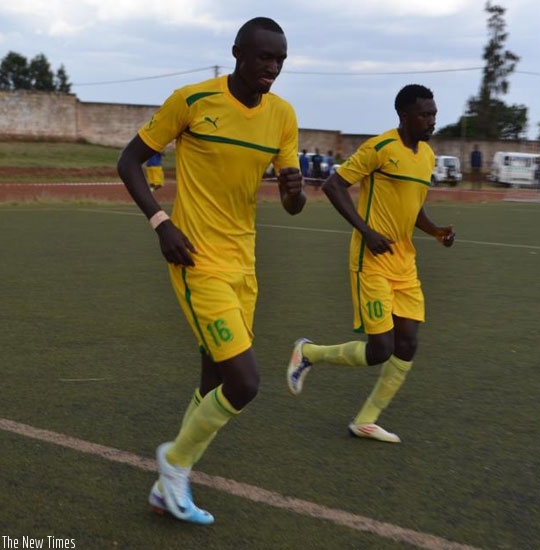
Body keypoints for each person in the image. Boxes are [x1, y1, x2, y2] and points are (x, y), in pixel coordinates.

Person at [116, 16, 306, 525]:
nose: (273, 68)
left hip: (245, 264)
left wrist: (293, 192)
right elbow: (129, 161)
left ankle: (165, 490)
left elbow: (293, 205)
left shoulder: (283, 116)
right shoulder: (193, 101)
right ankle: (174, 464)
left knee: (214, 379)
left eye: (281, 61)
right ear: (238, 52)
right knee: (244, 383)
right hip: (195, 261)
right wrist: (161, 222)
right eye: (265, 57)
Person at [286, 84, 455, 443]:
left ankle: (366, 419)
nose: (432, 121)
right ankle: (309, 353)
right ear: (404, 116)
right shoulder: (379, 148)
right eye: (425, 114)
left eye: (434, 114)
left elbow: (414, 206)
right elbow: (333, 186)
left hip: (404, 264)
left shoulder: (426, 156)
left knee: (407, 344)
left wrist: (436, 230)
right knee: (381, 350)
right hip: (372, 260)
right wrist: (367, 232)